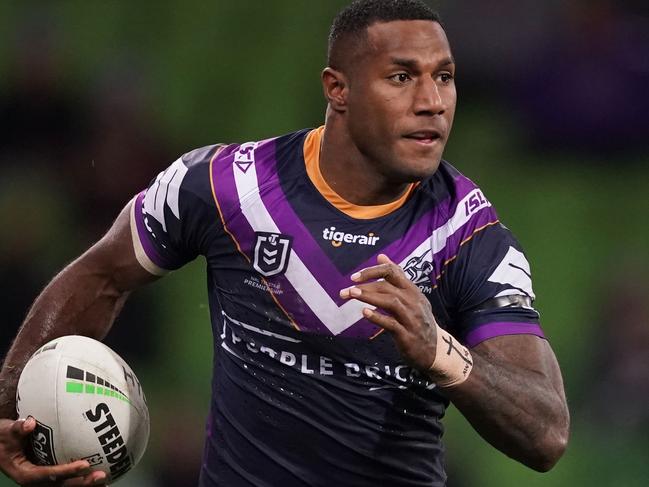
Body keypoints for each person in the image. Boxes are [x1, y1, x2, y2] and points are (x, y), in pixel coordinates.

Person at [0, 0, 570, 485]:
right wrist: (9, 415)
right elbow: (101, 275)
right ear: (337, 89)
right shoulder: (227, 185)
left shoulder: (467, 233)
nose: (433, 101)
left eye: (443, 76)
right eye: (402, 77)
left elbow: (546, 433)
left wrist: (441, 350)